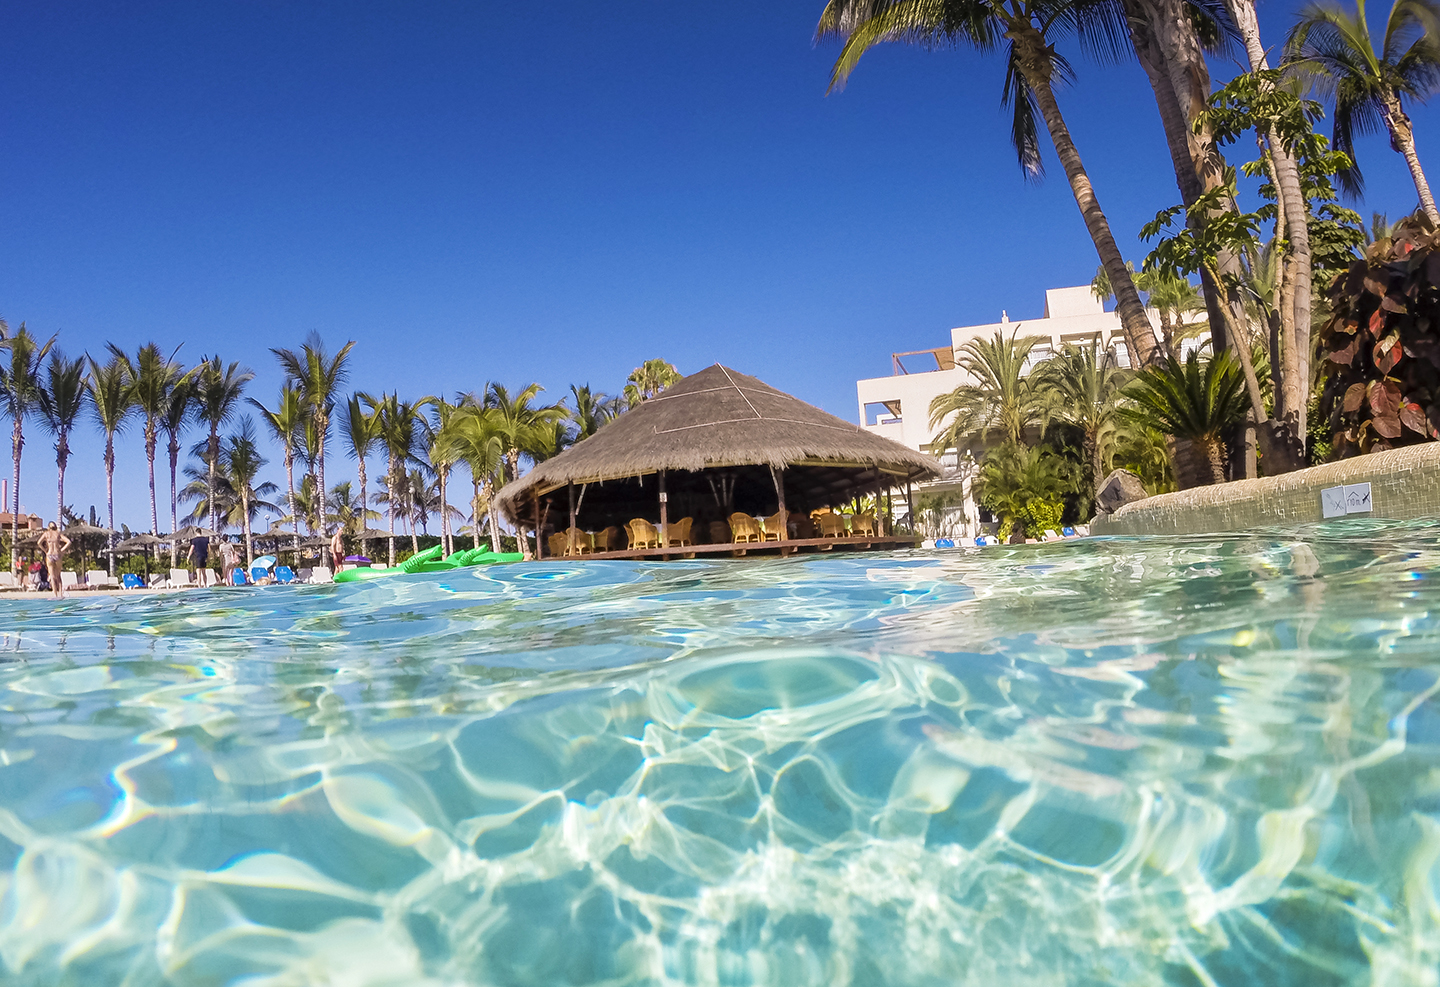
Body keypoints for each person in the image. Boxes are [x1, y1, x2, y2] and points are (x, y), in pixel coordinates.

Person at [35, 523, 71, 600]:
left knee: (52, 576)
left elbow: (39, 543)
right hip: (57, 554)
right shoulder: (58, 534)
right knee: (58, 576)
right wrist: (61, 550)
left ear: (48, 527)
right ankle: (60, 593)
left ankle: (55, 594)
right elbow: (68, 542)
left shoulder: (46, 534)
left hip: (50, 554)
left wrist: (45, 551)